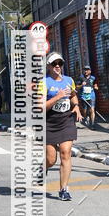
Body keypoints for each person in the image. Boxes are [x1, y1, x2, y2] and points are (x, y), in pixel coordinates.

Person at [41, 52, 82, 201]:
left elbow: (72, 95)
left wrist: (76, 106)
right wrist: (57, 97)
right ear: (48, 66)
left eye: (60, 63)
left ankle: (64, 189)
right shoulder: (43, 83)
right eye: (54, 64)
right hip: (49, 122)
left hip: (66, 120)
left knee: (65, 152)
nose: (57, 66)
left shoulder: (69, 80)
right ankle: (43, 167)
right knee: (51, 159)